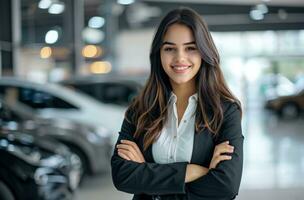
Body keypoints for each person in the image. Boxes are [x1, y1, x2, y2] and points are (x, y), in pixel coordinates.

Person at [111, 7, 244, 200]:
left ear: (204, 52)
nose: (180, 58)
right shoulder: (140, 109)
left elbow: (226, 186)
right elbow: (122, 176)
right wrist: (191, 172)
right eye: (169, 48)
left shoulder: (225, 111)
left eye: (191, 48)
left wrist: (146, 173)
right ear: (159, 53)